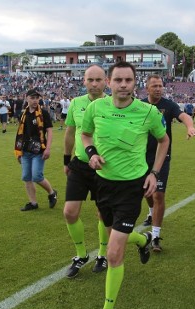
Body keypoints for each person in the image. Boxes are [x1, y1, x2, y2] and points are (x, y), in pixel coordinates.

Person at [81, 61, 169, 309]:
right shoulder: (96, 109)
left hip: (133, 188)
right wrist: (92, 153)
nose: (122, 85)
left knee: (114, 252)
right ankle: (142, 241)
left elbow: (164, 141)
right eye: (117, 80)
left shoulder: (149, 113)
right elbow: (85, 135)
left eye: (128, 80)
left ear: (134, 83)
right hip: (103, 185)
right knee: (113, 236)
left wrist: (154, 173)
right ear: (109, 82)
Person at [140, 74, 195, 252]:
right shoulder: (139, 105)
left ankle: (155, 236)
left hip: (162, 156)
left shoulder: (168, 105)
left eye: (160, 86)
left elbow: (184, 116)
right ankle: (151, 213)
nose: (158, 88)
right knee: (146, 191)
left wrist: (189, 126)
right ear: (147, 88)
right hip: (140, 157)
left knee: (158, 195)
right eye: (155, 86)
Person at [62, 65, 109, 278]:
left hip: (104, 167)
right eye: (90, 79)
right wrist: (66, 159)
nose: (94, 84)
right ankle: (81, 254)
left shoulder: (112, 104)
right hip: (80, 165)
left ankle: (102, 254)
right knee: (69, 212)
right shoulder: (75, 103)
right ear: (83, 81)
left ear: (106, 81)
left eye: (99, 79)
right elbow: (71, 133)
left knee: (103, 214)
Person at [14, 88, 58, 211]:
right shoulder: (24, 113)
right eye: (32, 98)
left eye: (36, 98)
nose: (35, 100)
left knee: (37, 176)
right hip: (25, 151)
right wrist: (18, 152)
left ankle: (51, 192)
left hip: (39, 150)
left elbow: (49, 131)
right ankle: (33, 203)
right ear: (26, 98)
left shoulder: (43, 113)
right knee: (26, 177)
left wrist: (48, 148)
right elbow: (21, 134)